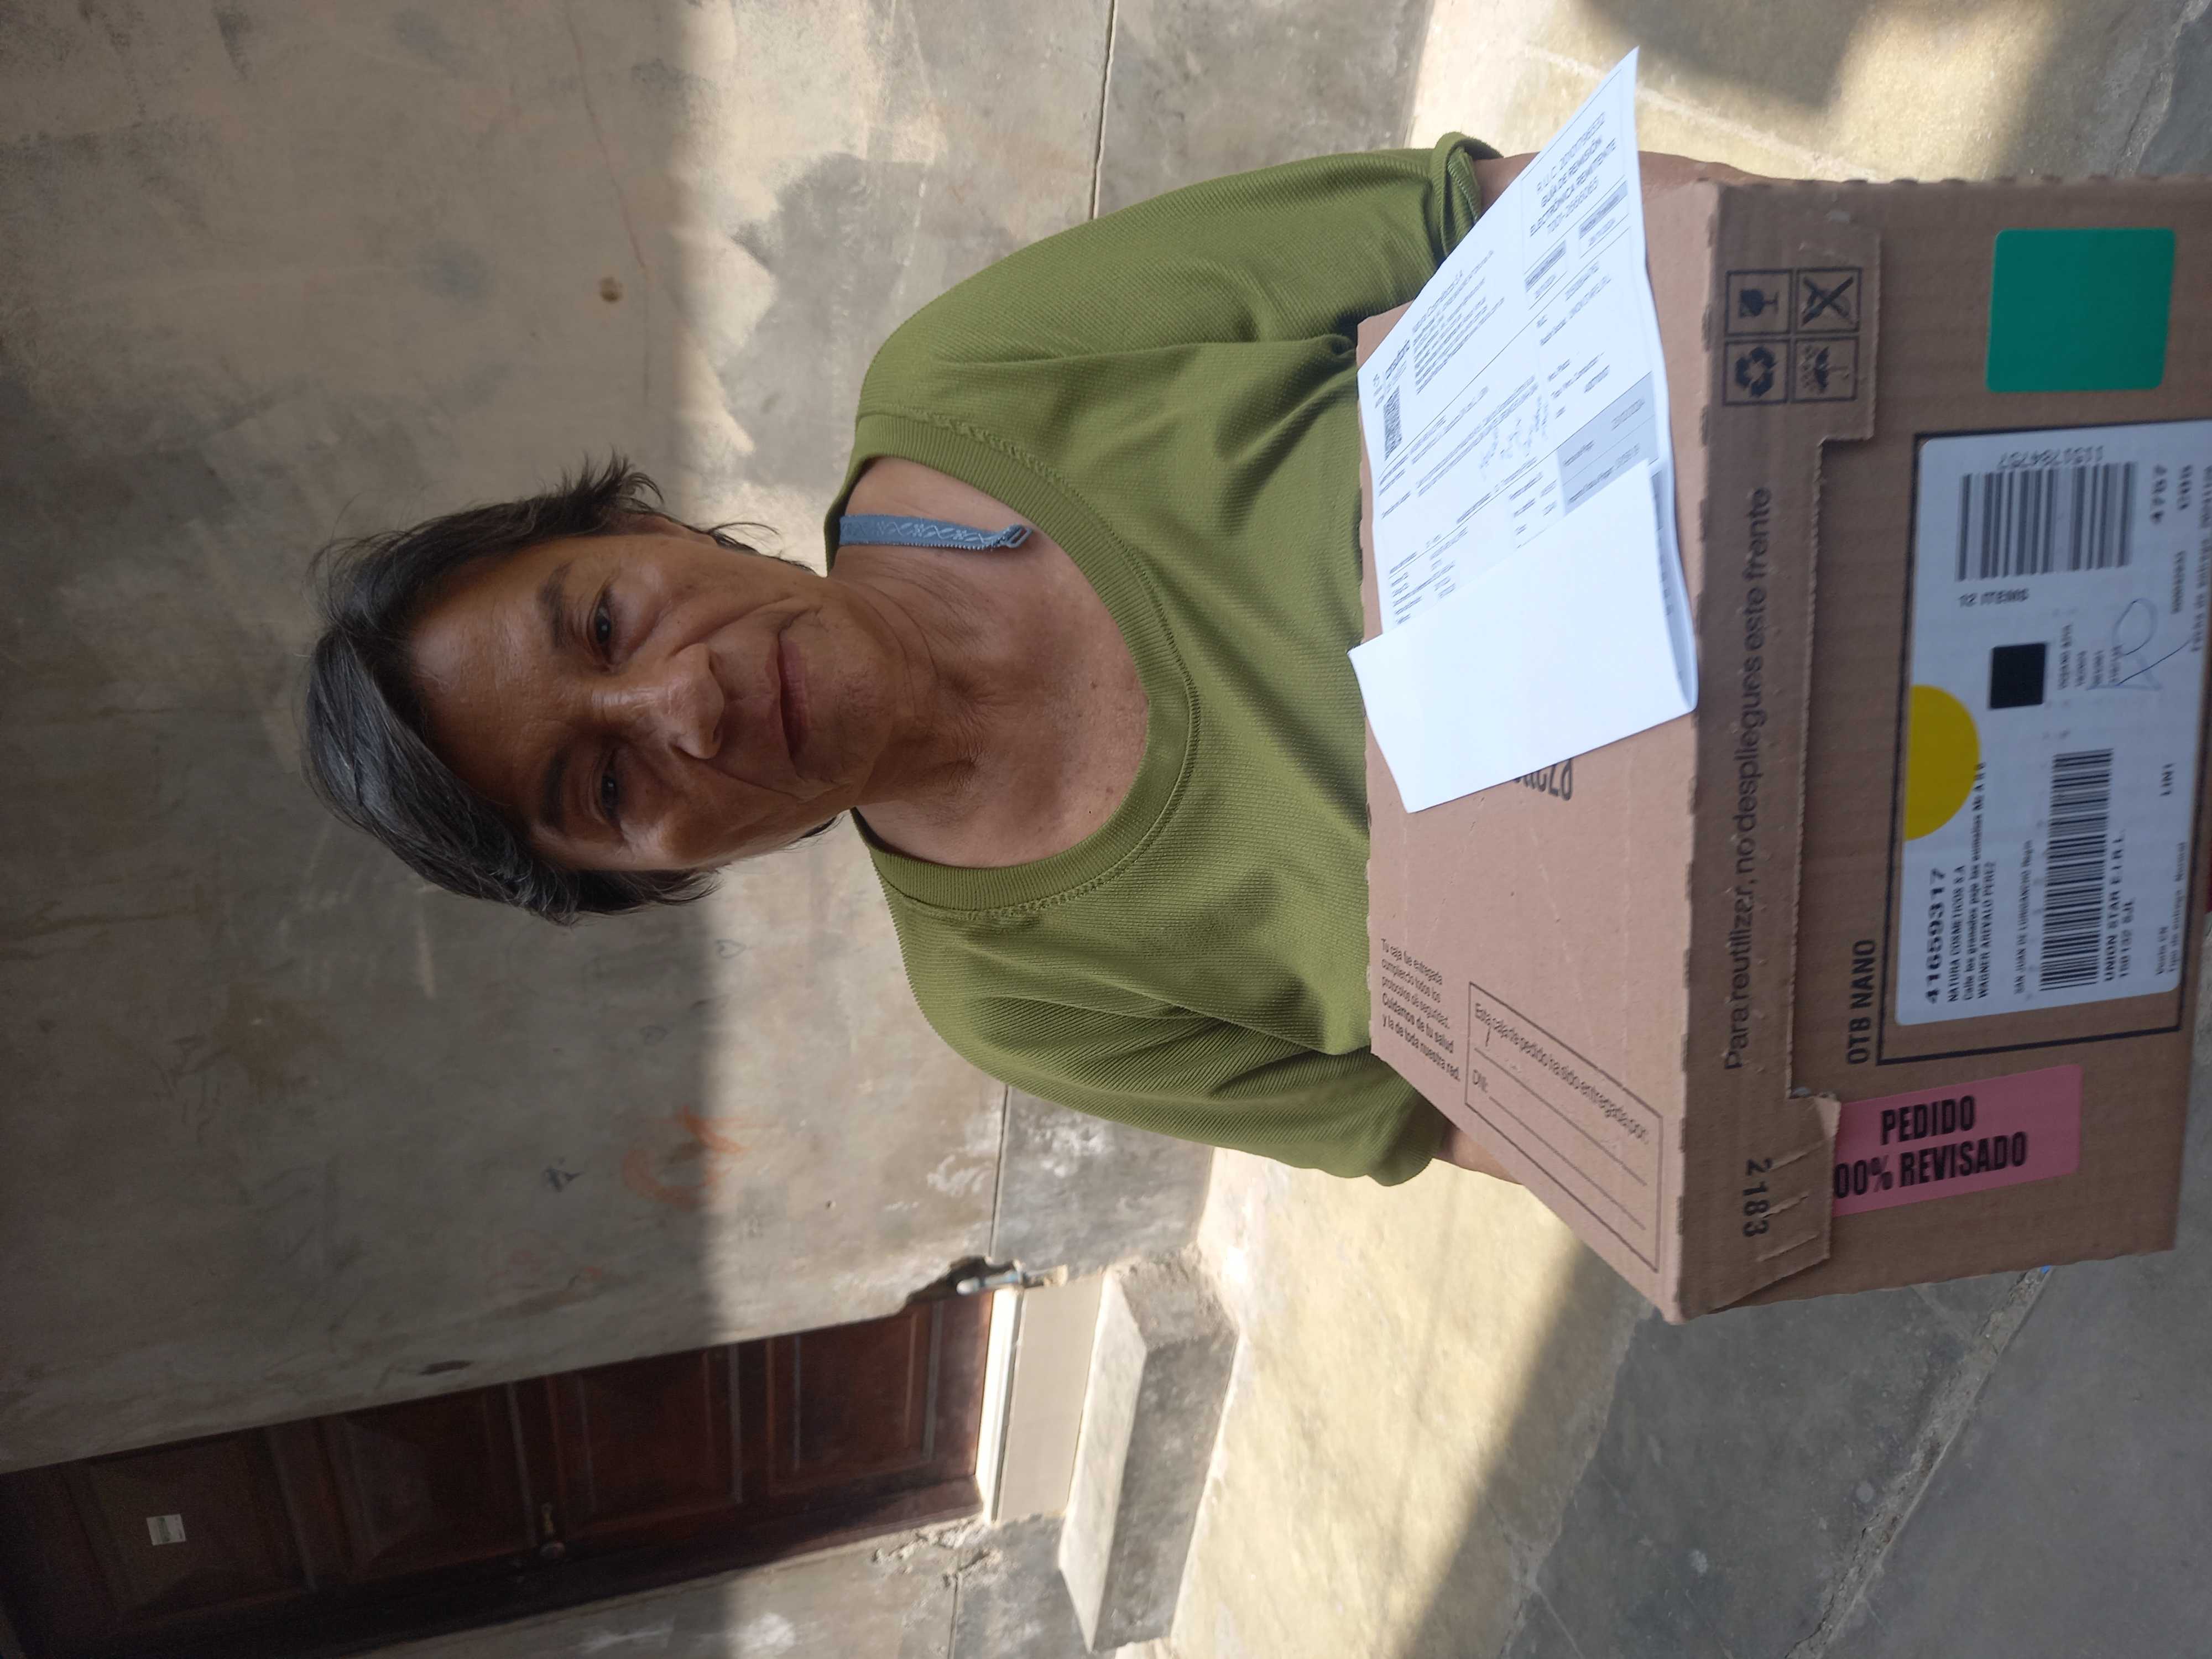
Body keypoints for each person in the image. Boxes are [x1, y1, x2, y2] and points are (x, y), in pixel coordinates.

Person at [304, 135, 1751, 1187]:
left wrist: (1842, 299)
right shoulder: (1018, 997)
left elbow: (1504, 220)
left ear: (645, 527)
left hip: (1789, 479)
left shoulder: (975, 374)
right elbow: (1485, 1113)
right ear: (648, 876)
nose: (684, 700)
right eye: (606, 787)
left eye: (605, 623)